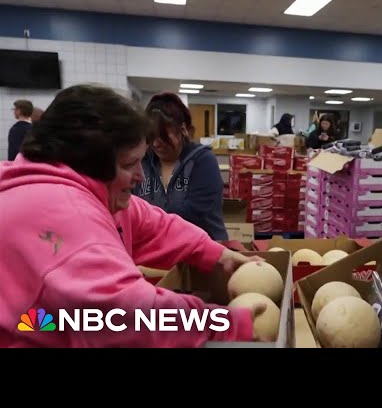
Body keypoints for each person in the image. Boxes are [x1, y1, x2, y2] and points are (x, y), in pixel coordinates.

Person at [0, 84, 266, 348]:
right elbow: (128, 317)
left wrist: (214, 253)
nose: (140, 175)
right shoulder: (62, 216)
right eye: (128, 165)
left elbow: (152, 223)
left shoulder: (74, 187)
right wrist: (226, 325)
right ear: (88, 163)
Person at [137, 93, 228, 241]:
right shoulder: (143, 162)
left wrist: (144, 217)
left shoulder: (203, 161)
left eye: (164, 137)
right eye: (151, 137)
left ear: (182, 129)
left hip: (204, 250)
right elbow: (130, 203)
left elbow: (193, 212)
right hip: (156, 250)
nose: (156, 144)